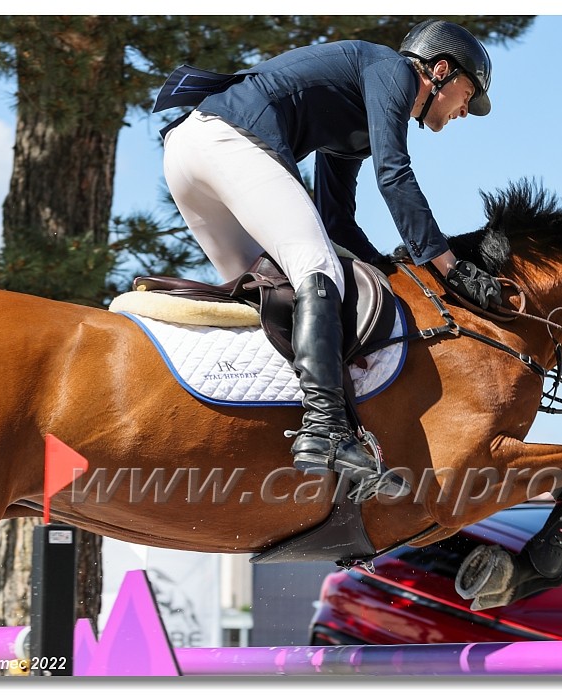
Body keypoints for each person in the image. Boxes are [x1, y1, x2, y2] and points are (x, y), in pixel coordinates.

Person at [153, 19, 502, 497]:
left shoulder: (360, 112)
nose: (467, 109)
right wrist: (450, 267)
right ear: (440, 70)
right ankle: (325, 430)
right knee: (316, 270)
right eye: (469, 93)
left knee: (271, 296)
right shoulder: (393, 71)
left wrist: (387, 271)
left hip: (188, 155)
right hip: (228, 141)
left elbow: (336, 219)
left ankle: (266, 430)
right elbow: (394, 175)